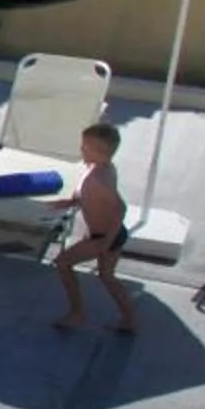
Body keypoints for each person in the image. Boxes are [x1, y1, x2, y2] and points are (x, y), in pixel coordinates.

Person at [53, 122, 141, 334]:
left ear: (101, 153)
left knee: (63, 263)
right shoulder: (99, 168)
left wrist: (106, 241)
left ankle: (77, 314)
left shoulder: (99, 178)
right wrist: (70, 202)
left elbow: (120, 208)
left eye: (85, 147)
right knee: (107, 276)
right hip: (108, 234)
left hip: (105, 236)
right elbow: (91, 199)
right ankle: (130, 320)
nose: (81, 149)